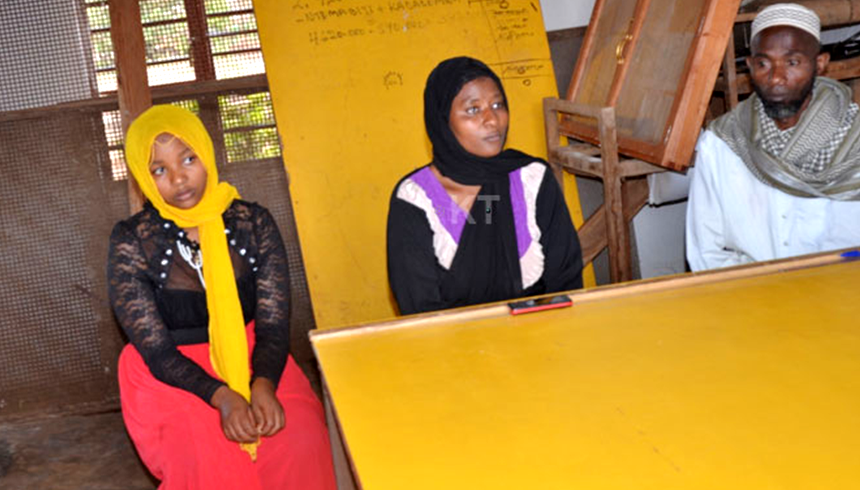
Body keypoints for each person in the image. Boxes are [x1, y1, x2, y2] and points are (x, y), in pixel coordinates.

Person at [107, 105, 336, 489]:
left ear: (206, 153)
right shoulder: (132, 240)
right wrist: (222, 397)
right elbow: (156, 351)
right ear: (142, 179)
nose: (179, 179)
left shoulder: (252, 222)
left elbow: (274, 323)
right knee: (211, 458)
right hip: (170, 372)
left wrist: (262, 382)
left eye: (188, 158)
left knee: (300, 440)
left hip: (254, 353)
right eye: (159, 170)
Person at [387, 56, 584, 315]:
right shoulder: (415, 198)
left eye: (497, 104)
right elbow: (420, 309)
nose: (492, 120)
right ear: (442, 120)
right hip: (455, 348)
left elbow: (565, 282)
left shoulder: (531, 179)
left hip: (539, 339)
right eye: (473, 109)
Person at [686, 3, 860, 271]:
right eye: (764, 63)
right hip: (750, 298)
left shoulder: (854, 140)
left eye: (792, 62)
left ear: (820, 64)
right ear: (750, 66)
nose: (776, 77)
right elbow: (706, 252)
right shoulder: (723, 144)